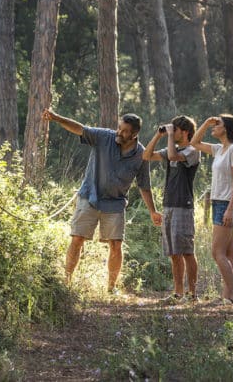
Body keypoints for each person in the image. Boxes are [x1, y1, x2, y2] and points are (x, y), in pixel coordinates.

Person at [42, 108, 162, 293]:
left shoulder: (141, 154)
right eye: (119, 128)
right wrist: (57, 118)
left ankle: (111, 288)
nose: (119, 132)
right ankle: (66, 283)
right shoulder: (104, 136)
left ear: (134, 134)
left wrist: (153, 211)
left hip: (115, 204)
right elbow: (80, 129)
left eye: (124, 131)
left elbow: (144, 185)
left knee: (116, 244)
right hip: (89, 197)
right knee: (77, 239)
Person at [191, 114, 233, 305]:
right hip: (218, 202)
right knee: (229, 253)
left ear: (226, 128)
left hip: (226, 204)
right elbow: (194, 142)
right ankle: (227, 295)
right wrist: (206, 123)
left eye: (217, 125)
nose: (214, 127)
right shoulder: (218, 149)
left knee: (217, 252)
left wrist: (230, 209)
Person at [142, 115, 200, 302]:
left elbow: (174, 156)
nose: (172, 133)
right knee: (174, 253)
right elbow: (146, 156)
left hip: (183, 206)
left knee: (187, 251)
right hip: (168, 205)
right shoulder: (170, 149)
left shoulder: (193, 151)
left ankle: (192, 294)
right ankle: (178, 293)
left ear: (185, 132)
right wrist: (158, 135)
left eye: (175, 130)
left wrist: (168, 136)